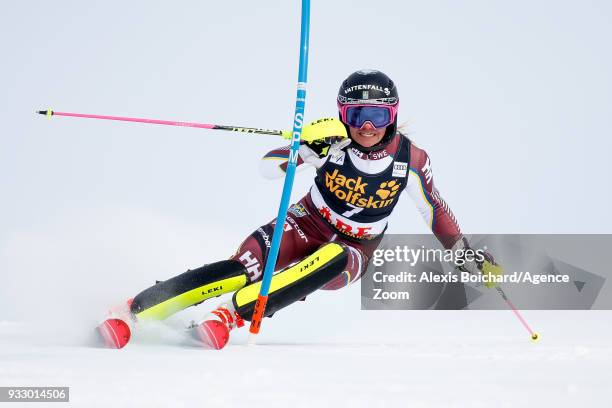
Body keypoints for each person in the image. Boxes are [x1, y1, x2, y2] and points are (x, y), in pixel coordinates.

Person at [97, 70, 499, 349]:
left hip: (355, 249)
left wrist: (464, 254)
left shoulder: (410, 160)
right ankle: (135, 310)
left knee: (336, 256)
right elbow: (268, 168)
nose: (367, 127)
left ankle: (229, 317)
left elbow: (437, 212)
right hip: (304, 224)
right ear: (344, 115)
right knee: (242, 270)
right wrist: (303, 148)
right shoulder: (333, 144)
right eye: (357, 115)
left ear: (392, 116)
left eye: (377, 115)